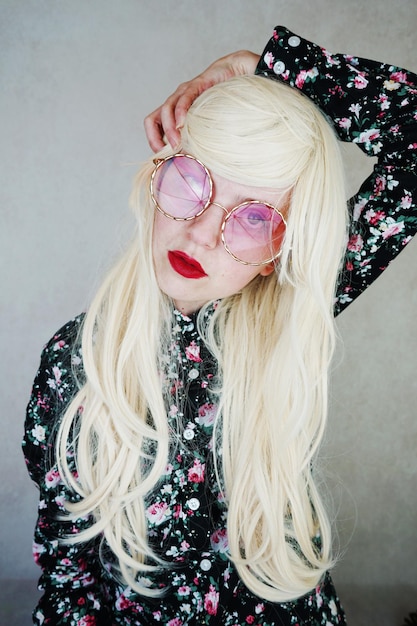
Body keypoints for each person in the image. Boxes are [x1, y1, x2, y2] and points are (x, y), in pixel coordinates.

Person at [23, 25, 417, 625]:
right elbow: (67, 566)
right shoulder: (74, 363)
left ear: (276, 253)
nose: (203, 233)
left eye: (252, 218)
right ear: (159, 173)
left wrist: (271, 64)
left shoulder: (287, 311)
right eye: (194, 181)